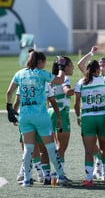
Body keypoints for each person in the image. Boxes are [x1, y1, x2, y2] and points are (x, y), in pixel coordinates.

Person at [6, 51, 71, 187]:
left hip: (25, 116)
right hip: (41, 116)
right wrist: (61, 68)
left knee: (28, 149)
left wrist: (9, 109)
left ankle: (27, 180)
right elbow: (59, 80)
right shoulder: (41, 73)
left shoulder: (19, 73)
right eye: (44, 61)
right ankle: (60, 176)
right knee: (51, 148)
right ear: (40, 62)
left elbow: (9, 92)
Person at [74, 59, 105, 187]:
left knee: (88, 151)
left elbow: (76, 103)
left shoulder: (80, 83)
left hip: (88, 118)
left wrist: (78, 116)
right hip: (101, 117)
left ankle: (89, 179)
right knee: (104, 148)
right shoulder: (103, 80)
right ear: (97, 70)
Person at [48, 56, 74, 171]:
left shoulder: (51, 79)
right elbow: (67, 92)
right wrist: (82, 88)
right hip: (61, 113)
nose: (72, 67)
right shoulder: (65, 78)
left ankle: (55, 174)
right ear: (65, 67)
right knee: (61, 147)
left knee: (57, 146)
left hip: (50, 112)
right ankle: (59, 175)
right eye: (71, 65)